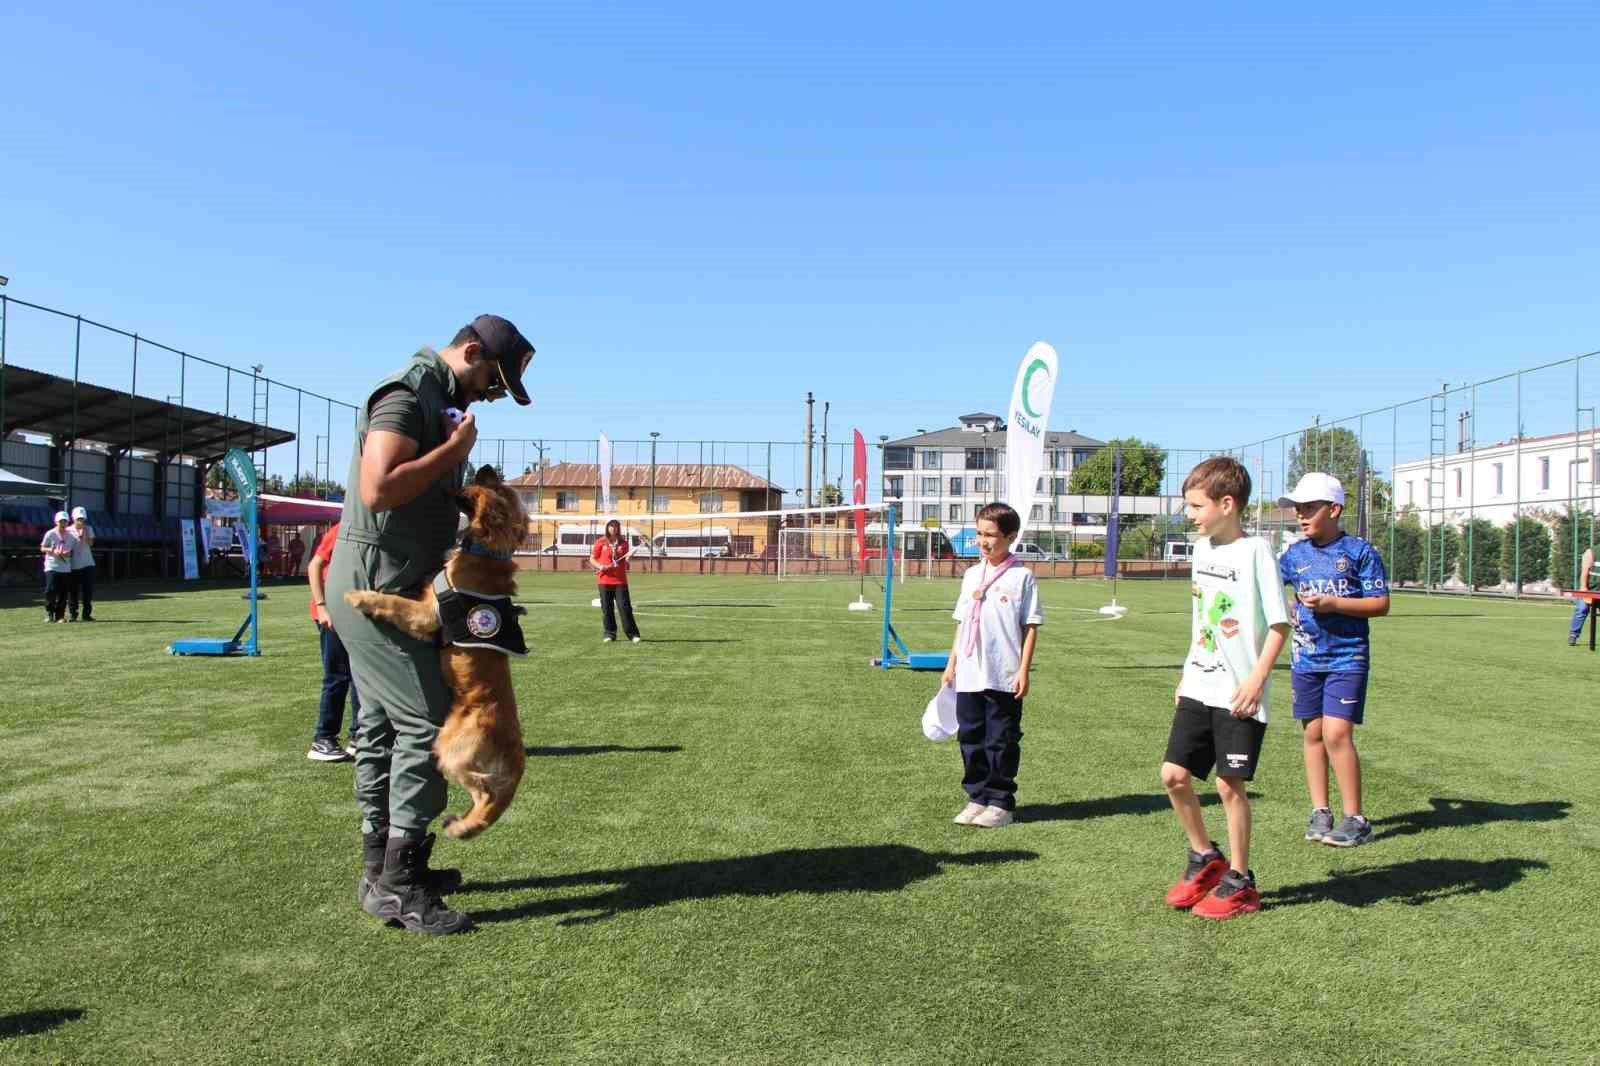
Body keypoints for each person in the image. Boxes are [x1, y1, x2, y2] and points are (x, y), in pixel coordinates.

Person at [325, 314, 534, 936]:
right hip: (378, 577)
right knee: (423, 724)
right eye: (492, 381)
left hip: (398, 575)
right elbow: (379, 488)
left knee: (379, 725)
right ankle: (400, 883)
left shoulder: (437, 397)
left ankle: (379, 869)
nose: (490, 396)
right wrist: (454, 453)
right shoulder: (407, 394)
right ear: (471, 351)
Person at [1162, 457, 1289, 920]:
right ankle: (1204, 856)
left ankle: (1240, 880)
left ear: (1228, 504)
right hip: (1201, 681)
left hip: (1239, 692)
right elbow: (1203, 618)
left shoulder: (1257, 552)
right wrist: (1187, 670)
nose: (1190, 514)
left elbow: (1280, 624)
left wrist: (1257, 679)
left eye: (1197, 506)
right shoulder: (1200, 551)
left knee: (1227, 783)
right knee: (1173, 776)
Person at [1277, 472, 1390, 848]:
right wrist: (1287, 605)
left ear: (1334, 509)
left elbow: (1380, 604)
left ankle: (1356, 819)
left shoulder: (1359, 552)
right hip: (1306, 657)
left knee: (1336, 734)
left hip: (1347, 656)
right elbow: (1270, 587)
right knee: (1312, 733)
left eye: (1309, 507)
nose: (1301, 515)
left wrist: (1333, 604)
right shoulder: (1294, 555)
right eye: (1298, 508)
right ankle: (1320, 811)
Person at [939, 502, 1043, 829]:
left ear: (1010, 537)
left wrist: (1023, 670)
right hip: (970, 671)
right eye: (979, 534)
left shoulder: (1022, 577)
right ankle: (977, 797)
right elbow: (962, 622)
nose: (983, 541)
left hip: (1003, 673)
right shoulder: (972, 575)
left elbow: (1030, 626)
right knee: (970, 737)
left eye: (991, 535)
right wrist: (952, 664)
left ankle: (1000, 802)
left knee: (1001, 739)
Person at [306, 522, 360, 763]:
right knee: (337, 676)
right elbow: (314, 565)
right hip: (332, 614)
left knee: (360, 677)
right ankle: (323, 738)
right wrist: (322, 607)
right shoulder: (343, 528)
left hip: (352, 614)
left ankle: (359, 736)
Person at [592, 519, 642, 642]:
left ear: (618, 528)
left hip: (620, 581)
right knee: (607, 609)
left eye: (615, 526)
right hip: (604, 581)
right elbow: (592, 558)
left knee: (625, 608)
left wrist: (630, 556)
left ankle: (633, 634)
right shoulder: (601, 542)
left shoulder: (623, 543)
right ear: (607, 527)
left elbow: (625, 561)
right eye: (611, 526)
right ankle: (609, 634)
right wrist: (600, 566)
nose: (613, 528)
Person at [40, 511, 77, 624]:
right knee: (50, 590)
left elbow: (72, 552)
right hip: (52, 566)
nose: (63, 523)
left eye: (65, 521)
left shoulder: (71, 536)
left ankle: (60, 616)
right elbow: (42, 548)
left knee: (63, 593)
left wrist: (67, 553)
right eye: (61, 521)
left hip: (65, 568)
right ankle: (50, 613)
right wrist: (51, 550)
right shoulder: (50, 533)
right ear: (56, 522)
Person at [67, 506, 97, 621]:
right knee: (73, 591)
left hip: (88, 564)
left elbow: (91, 543)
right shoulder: (68, 530)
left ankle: (86, 614)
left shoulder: (88, 529)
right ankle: (73, 614)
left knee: (87, 591)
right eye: (78, 518)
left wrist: (84, 533)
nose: (80, 521)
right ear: (73, 518)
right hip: (74, 565)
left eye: (82, 519)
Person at [1567, 545, 1597, 646]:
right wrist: (1583, 588)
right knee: (1582, 609)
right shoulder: (1591, 552)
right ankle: (1573, 635)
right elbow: (1585, 571)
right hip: (1590, 591)